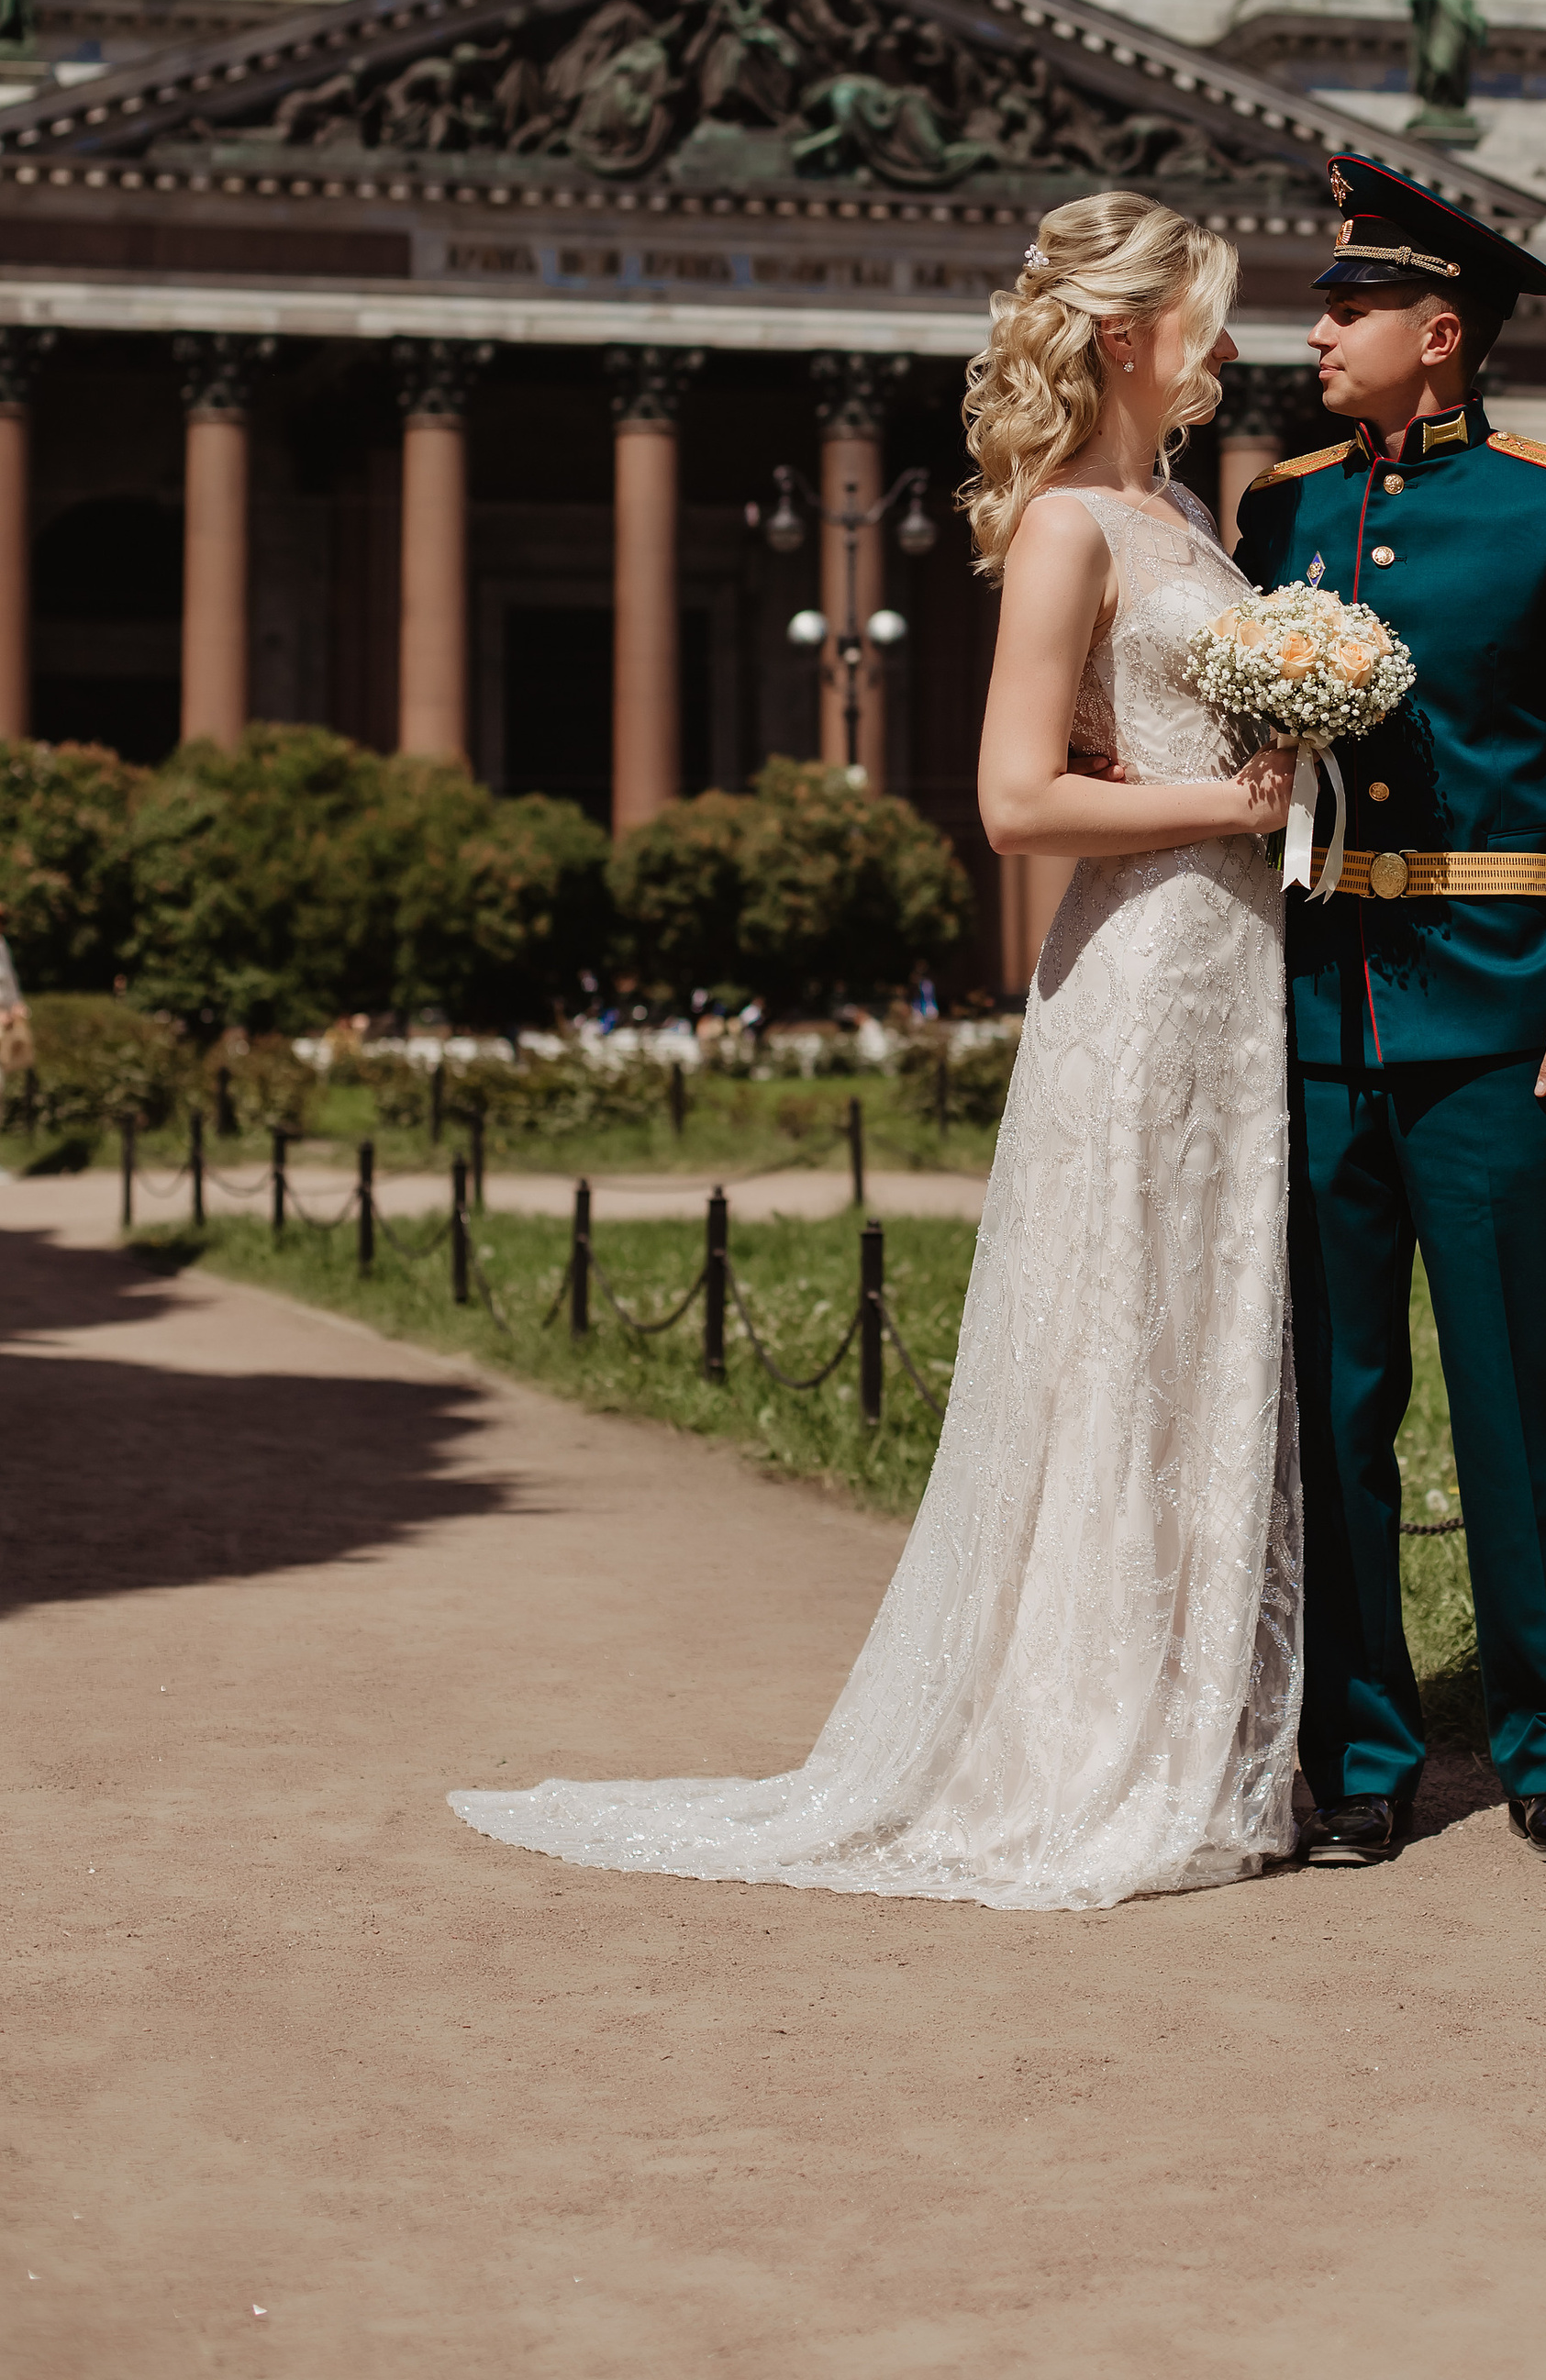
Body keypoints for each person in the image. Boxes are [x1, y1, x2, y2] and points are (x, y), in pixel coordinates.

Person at [451, 192, 1302, 1907]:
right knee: (1120, 1339)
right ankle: (1082, 1748)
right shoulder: (1072, 526)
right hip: (1141, 974)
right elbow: (1011, 801)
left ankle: (1196, 1725)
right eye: (1208, 316)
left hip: (1235, 969)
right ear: (1129, 335)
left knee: (1208, 1333)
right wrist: (1245, 799)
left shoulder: (1186, 520)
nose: (1233, 344)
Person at [1234, 154, 1546, 1868]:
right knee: (1335, 1408)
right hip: (1316, 1016)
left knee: (1518, 1398)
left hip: (1500, 1024)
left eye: (1349, 308)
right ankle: (1362, 1759)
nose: (1318, 329)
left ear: (1441, 333)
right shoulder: (1280, 507)